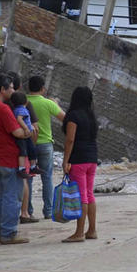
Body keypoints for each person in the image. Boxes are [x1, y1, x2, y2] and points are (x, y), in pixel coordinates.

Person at [0, 74, 30, 244]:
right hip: (9, 158)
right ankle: (8, 233)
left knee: (3, 196)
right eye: (10, 87)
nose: (13, 90)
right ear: (2, 89)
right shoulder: (2, 109)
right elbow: (16, 132)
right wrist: (28, 132)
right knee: (12, 197)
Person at [61, 86, 99, 243]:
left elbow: (70, 140)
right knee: (89, 194)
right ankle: (92, 230)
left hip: (79, 159)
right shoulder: (91, 116)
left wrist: (65, 161)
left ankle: (78, 233)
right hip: (92, 158)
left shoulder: (73, 116)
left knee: (81, 196)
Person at [25, 76, 63, 221]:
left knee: (27, 178)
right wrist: (56, 105)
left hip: (28, 144)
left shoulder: (24, 102)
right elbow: (65, 118)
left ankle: (27, 211)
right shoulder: (47, 103)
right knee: (47, 178)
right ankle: (48, 211)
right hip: (45, 144)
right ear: (43, 89)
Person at [9, 91, 39, 223]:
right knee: (24, 153)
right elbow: (20, 120)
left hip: (25, 138)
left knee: (29, 152)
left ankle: (32, 166)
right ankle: (25, 212)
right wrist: (27, 130)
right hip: (25, 136)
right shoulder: (21, 110)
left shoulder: (13, 108)